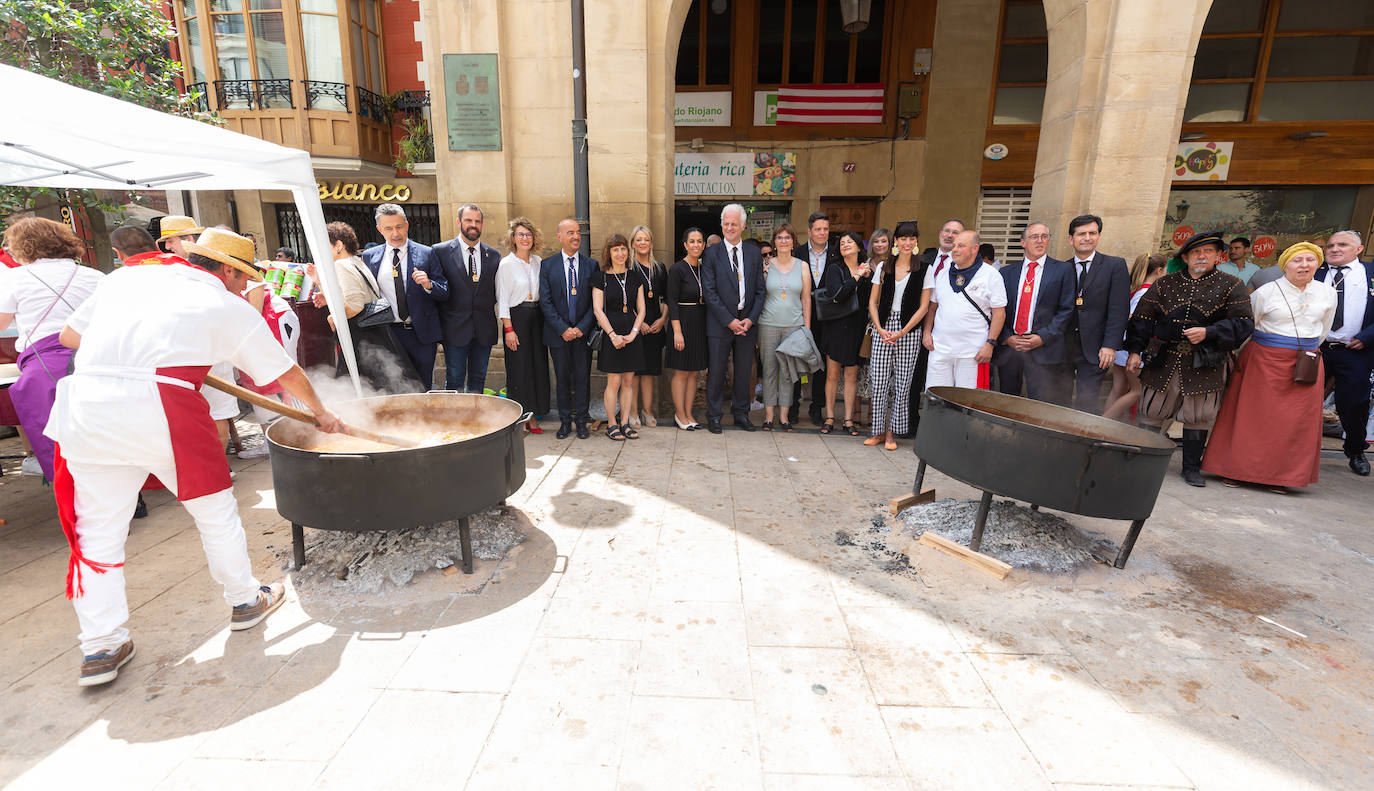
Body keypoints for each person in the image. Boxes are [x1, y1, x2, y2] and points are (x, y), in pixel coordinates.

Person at [46, 227, 343, 686]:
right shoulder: (225, 304)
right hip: (159, 407)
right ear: (226, 270)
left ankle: (101, 646)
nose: (245, 287)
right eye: (242, 278)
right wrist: (321, 414)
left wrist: (137, 356)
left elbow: (69, 336)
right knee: (215, 510)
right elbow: (284, 372)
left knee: (97, 531)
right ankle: (246, 600)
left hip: (85, 409)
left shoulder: (122, 279)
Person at [1203, 242, 1337, 490]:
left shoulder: (1327, 293)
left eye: (1310, 260)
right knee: (1252, 417)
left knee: (1293, 423)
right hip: (1263, 360)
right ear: (1285, 265)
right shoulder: (1265, 292)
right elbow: (1247, 327)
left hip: (1305, 362)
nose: (1304, 265)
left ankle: (1282, 477)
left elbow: (1323, 330)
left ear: (1317, 264)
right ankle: (1237, 470)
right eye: (1298, 260)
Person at [1125, 232, 1254, 487]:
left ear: (1219, 256)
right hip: (1164, 357)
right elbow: (1142, 320)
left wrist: (1210, 332)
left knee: (1199, 414)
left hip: (1205, 359)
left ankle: (1191, 468)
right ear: (1185, 257)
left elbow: (1244, 323)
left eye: (1208, 252)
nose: (1201, 256)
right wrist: (1133, 351)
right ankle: (1143, 461)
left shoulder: (1232, 285)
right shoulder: (1164, 284)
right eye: (1196, 252)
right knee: (1152, 410)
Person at [0, 218, 105, 482]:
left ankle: (76, 492)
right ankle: (129, 494)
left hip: (45, 365)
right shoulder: (95, 276)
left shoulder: (14, 279)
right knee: (104, 426)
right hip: (98, 358)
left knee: (58, 435)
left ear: (23, 247)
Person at [312, 221, 420, 393]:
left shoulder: (341, 265)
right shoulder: (355, 262)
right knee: (385, 388)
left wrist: (333, 318)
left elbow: (355, 305)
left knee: (360, 390)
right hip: (374, 334)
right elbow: (351, 296)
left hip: (361, 338)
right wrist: (320, 283)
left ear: (339, 245)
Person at [361, 203, 446, 389]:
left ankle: (423, 418)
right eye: (388, 228)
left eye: (399, 227)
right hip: (388, 333)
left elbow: (444, 291)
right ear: (379, 230)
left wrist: (429, 284)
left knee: (423, 385)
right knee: (392, 385)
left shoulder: (427, 253)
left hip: (421, 334)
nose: (395, 233)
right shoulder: (369, 257)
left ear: (407, 225)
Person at [993, 222, 1074, 404]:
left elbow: (1066, 310)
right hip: (1010, 349)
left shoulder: (1062, 270)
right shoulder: (1006, 273)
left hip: (1044, 348)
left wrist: (1042, 337)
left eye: (1044, 236)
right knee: (1006, 402)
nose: (1040, 241)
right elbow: (997, 310)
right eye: (1034, 237)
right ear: (1023, 242)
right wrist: (1006, 337)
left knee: (1040, 404)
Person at [702, 203, 766, 434]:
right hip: (720, 323)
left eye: (734, 224)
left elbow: (760, 290)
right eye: (726, 224)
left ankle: (741, 414)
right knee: (717, 372)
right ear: (722, 225)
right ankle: (715, 416)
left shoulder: (753, 253)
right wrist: (729, 320)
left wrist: (750, 319)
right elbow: (709, 292)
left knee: (743, 371)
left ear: (743, 226)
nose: (729, 228)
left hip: (747, 322)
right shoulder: (711, 253)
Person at [866, 220, 929, 450]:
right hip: (883, 327)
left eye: (911, 238)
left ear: (916, 241)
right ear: (896, 240)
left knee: (902, 383)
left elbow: (923, 307)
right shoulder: (885, 267)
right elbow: (873, 301)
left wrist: (903, 331)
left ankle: (892, 433)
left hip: (908, 330)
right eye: (903, 238)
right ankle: (878, 431)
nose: (907, 242)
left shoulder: (924, 268)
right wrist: (880, 327)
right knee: (880, 380)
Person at [1316, 230, 1374, 475]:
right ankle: (1294, 450)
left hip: (1356, 352)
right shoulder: (1314, 273)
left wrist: (1367, 337)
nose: (1334, 249)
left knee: (1353, 404)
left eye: (1342, 244)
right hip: (1317, 350)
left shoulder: (1370, 273)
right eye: (1330, 245)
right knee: (1300, 401)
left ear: (1359, 249)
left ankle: (1355, 450)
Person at [1063, 214, 1131, 413]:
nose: (1087, 237)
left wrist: (1110, 345)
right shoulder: (1061, 268)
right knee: (1059, 398)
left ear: (1099, 236)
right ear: (1071, 239)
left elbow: (1119, 310)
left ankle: (1082, 440)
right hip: (1063, 347)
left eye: (1092, 233)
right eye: (1081, 233)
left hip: (1096, 349)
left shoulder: (1114, 266)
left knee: (1087, 402)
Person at [923, 229, 1007, 388]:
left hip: (973, 352)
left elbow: (999, 313)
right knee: (937, 399)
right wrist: (927, 331)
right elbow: (933, 307)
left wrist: (990, 344)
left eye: (960, 246)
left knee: (968, 402)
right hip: (940, 349)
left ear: (974, 249)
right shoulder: (942, 274)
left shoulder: (991, 275)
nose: (954, 249)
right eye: (954, 245)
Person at [539, 219, 597, 440]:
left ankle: (582, 421)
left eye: (578, 232)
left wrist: (581, 328)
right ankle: (565, 422)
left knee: (583, 379)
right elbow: (545, 302)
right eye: (570, 232)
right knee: (562, 379)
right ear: (559, 236)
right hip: (557, 335)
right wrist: (563, 329)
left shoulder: (591, 266)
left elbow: (595, 303)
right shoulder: (547, 265)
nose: (576, 236)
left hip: (583, 336)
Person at [432, 203, 500, 392]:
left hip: (483, 329)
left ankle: (475, 420)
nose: (473, 225)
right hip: (454, 329)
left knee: (479, 379)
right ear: (458, 222)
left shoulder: (494, 255)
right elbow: (439, 290)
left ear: (482, 225)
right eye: (468, 220)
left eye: (477, 221)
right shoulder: (440, 251)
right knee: (454, 379)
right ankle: (454, 420)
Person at [907, 218, 966, 432]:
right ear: (940, 233)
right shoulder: (924, 258)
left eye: (955, 232)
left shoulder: (962, 263)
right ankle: (911, 422)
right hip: (915, 327)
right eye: (947, 231)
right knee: (913, 378)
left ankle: (941, 427)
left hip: (944, 332)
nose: (950, 235)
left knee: (940, 382)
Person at [817, 231, 873, 436]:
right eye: (842, 243)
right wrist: (856, 276)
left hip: (857, 328)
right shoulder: (835, 268)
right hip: (836, 327)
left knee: (851, 375)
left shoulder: (868, 271)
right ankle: (830, 416)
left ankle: (848, 418)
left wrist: (866, 277)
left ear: (859, 246)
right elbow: (838, 296)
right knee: (832, 374)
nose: (845, 245)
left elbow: (870, 301)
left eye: (850, 242)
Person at [497, 217, 550, 434]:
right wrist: (509, 329)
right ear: (513, 238)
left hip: (537, 316)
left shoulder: (539, 262)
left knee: (538, 366)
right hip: (516, 318)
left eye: (528, 234)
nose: (525, 238)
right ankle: (520, 418)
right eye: (520, 234)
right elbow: (502, 300)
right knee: (519, 369)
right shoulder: (506, 264)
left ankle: (535, 416)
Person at [592, 233, 646, 440]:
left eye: (623, 249)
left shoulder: (635, 277)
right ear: (609, 252)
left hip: (631, 335)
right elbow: (598, 309)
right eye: (616, 249)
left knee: (628, 383)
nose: (620, 253)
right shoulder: (601, 277)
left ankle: (625, 423)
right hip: (611, 334)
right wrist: (613, 335)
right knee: (613, 383)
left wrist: (633, 333)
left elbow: (641, 310)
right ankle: (612, 424)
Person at [758, 222, 811, 432]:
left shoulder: (802, 266)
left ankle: (784, 417)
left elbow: (806, 299)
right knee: (769, 370)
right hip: (768, 325)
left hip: (794, 327)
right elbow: (759, 295)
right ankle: (769, 416)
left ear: (793, 242)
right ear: (774, 242)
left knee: (788, 373)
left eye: (787, 237)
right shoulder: (766, 265)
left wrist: (806, 329)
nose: (783, 241)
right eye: (779, 237)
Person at [1102, 253, 1167, 421]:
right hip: (1132, 348)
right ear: (1159, 271)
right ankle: (1103, 422)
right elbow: (1133, 319)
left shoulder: (1135, 289)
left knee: (1119, 388)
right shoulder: (1148, 292)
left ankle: (1106, 425)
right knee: (1136, 392)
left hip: (1122, 345)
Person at [666, 227, 708, 430]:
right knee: (681, 372)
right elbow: (671, 302)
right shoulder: (677, 269)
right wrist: (677, 331)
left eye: (699, 241)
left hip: (699, 323)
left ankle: (689, 413)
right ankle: (679, 414)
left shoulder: (704, 268)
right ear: (685, 245)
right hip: (682, 322)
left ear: (704, 245)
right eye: (692, 241)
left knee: (694, 373)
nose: (696, 245)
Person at [629, 225, 668, 426]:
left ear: (651, 243)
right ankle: (633, 413)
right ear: (633, 243)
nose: (643, 243)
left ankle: (647, 411)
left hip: (655, 325)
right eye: (639, 239)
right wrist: (639, 323)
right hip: (635, 326)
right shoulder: (628, 268)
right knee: (635, 371)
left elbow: (668, 297)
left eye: (646, 239)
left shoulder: (660, 268)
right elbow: (624, 299)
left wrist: (662, 320)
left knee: (650, 371)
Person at [802, 211, 835, 424]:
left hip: (828, 318)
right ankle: (794, 405)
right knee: (798, 360)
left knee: (822, 363)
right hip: (801, 315)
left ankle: (817, 407)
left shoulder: (836, 254)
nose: (822, 233)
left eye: (825, 229)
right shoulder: (797, 253)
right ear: (809, 231)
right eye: (818, 229)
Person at [110, 225, 185, 267]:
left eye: (170, 241)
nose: (167, 247)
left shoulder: (112, 282)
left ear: (118, 253)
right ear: (156, 245)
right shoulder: (185, 266)